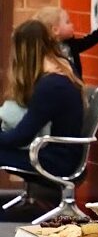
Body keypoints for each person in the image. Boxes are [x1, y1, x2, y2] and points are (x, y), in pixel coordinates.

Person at [0, 19, 85, 177]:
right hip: (60, 154)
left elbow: (21, 137)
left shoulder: (51, 86)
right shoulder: (63, 69)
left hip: (55, 160)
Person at [35, 6, 98, 80]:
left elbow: (85, 42)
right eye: (67, 22)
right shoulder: (47, 50)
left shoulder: (70, 44)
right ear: (55, 30)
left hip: (74, 84)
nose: (72, 24)